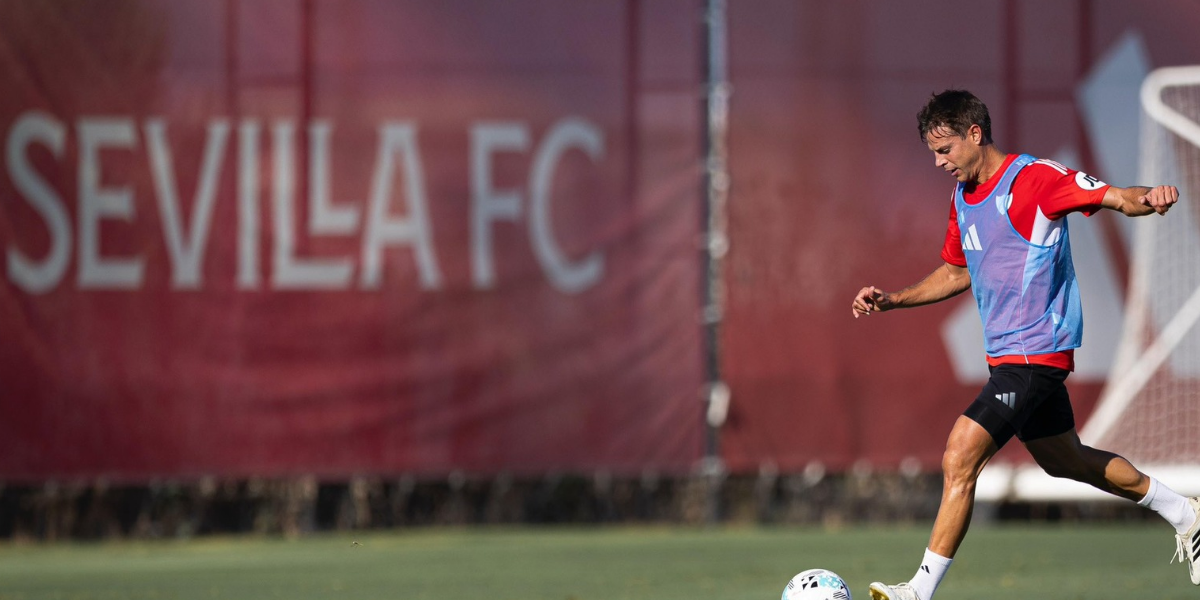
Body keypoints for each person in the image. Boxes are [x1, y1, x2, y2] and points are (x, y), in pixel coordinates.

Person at [851, 89, 1193, 600]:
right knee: (1065, 460)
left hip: (1036, 353)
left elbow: (1116, 196)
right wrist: (894, 299)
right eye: (932, 153)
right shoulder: (961, 199)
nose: (938, 161)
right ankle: (1184, 512)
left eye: (944, 149)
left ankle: (917, 592)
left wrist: (1150, 198)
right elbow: (955, 270)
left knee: (960, 454)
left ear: (974, 134)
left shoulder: (1035, 179)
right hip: (1007, 359)